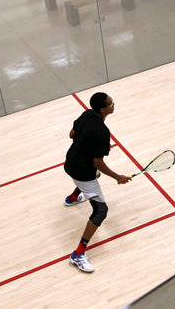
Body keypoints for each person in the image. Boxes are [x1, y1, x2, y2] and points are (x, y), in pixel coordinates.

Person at [64, 92, 131, 272]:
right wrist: (119, 177)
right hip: (82, 171)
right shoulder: (102, 132)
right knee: (101, 210)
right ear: (103, 109)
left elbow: (72, 134)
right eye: (111, 103)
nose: (113, 104)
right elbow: (97, 163)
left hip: (70, 162)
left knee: (96, 174)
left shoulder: (87, 114)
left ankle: (72, 197)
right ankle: (77, 254)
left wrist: (91, 142)